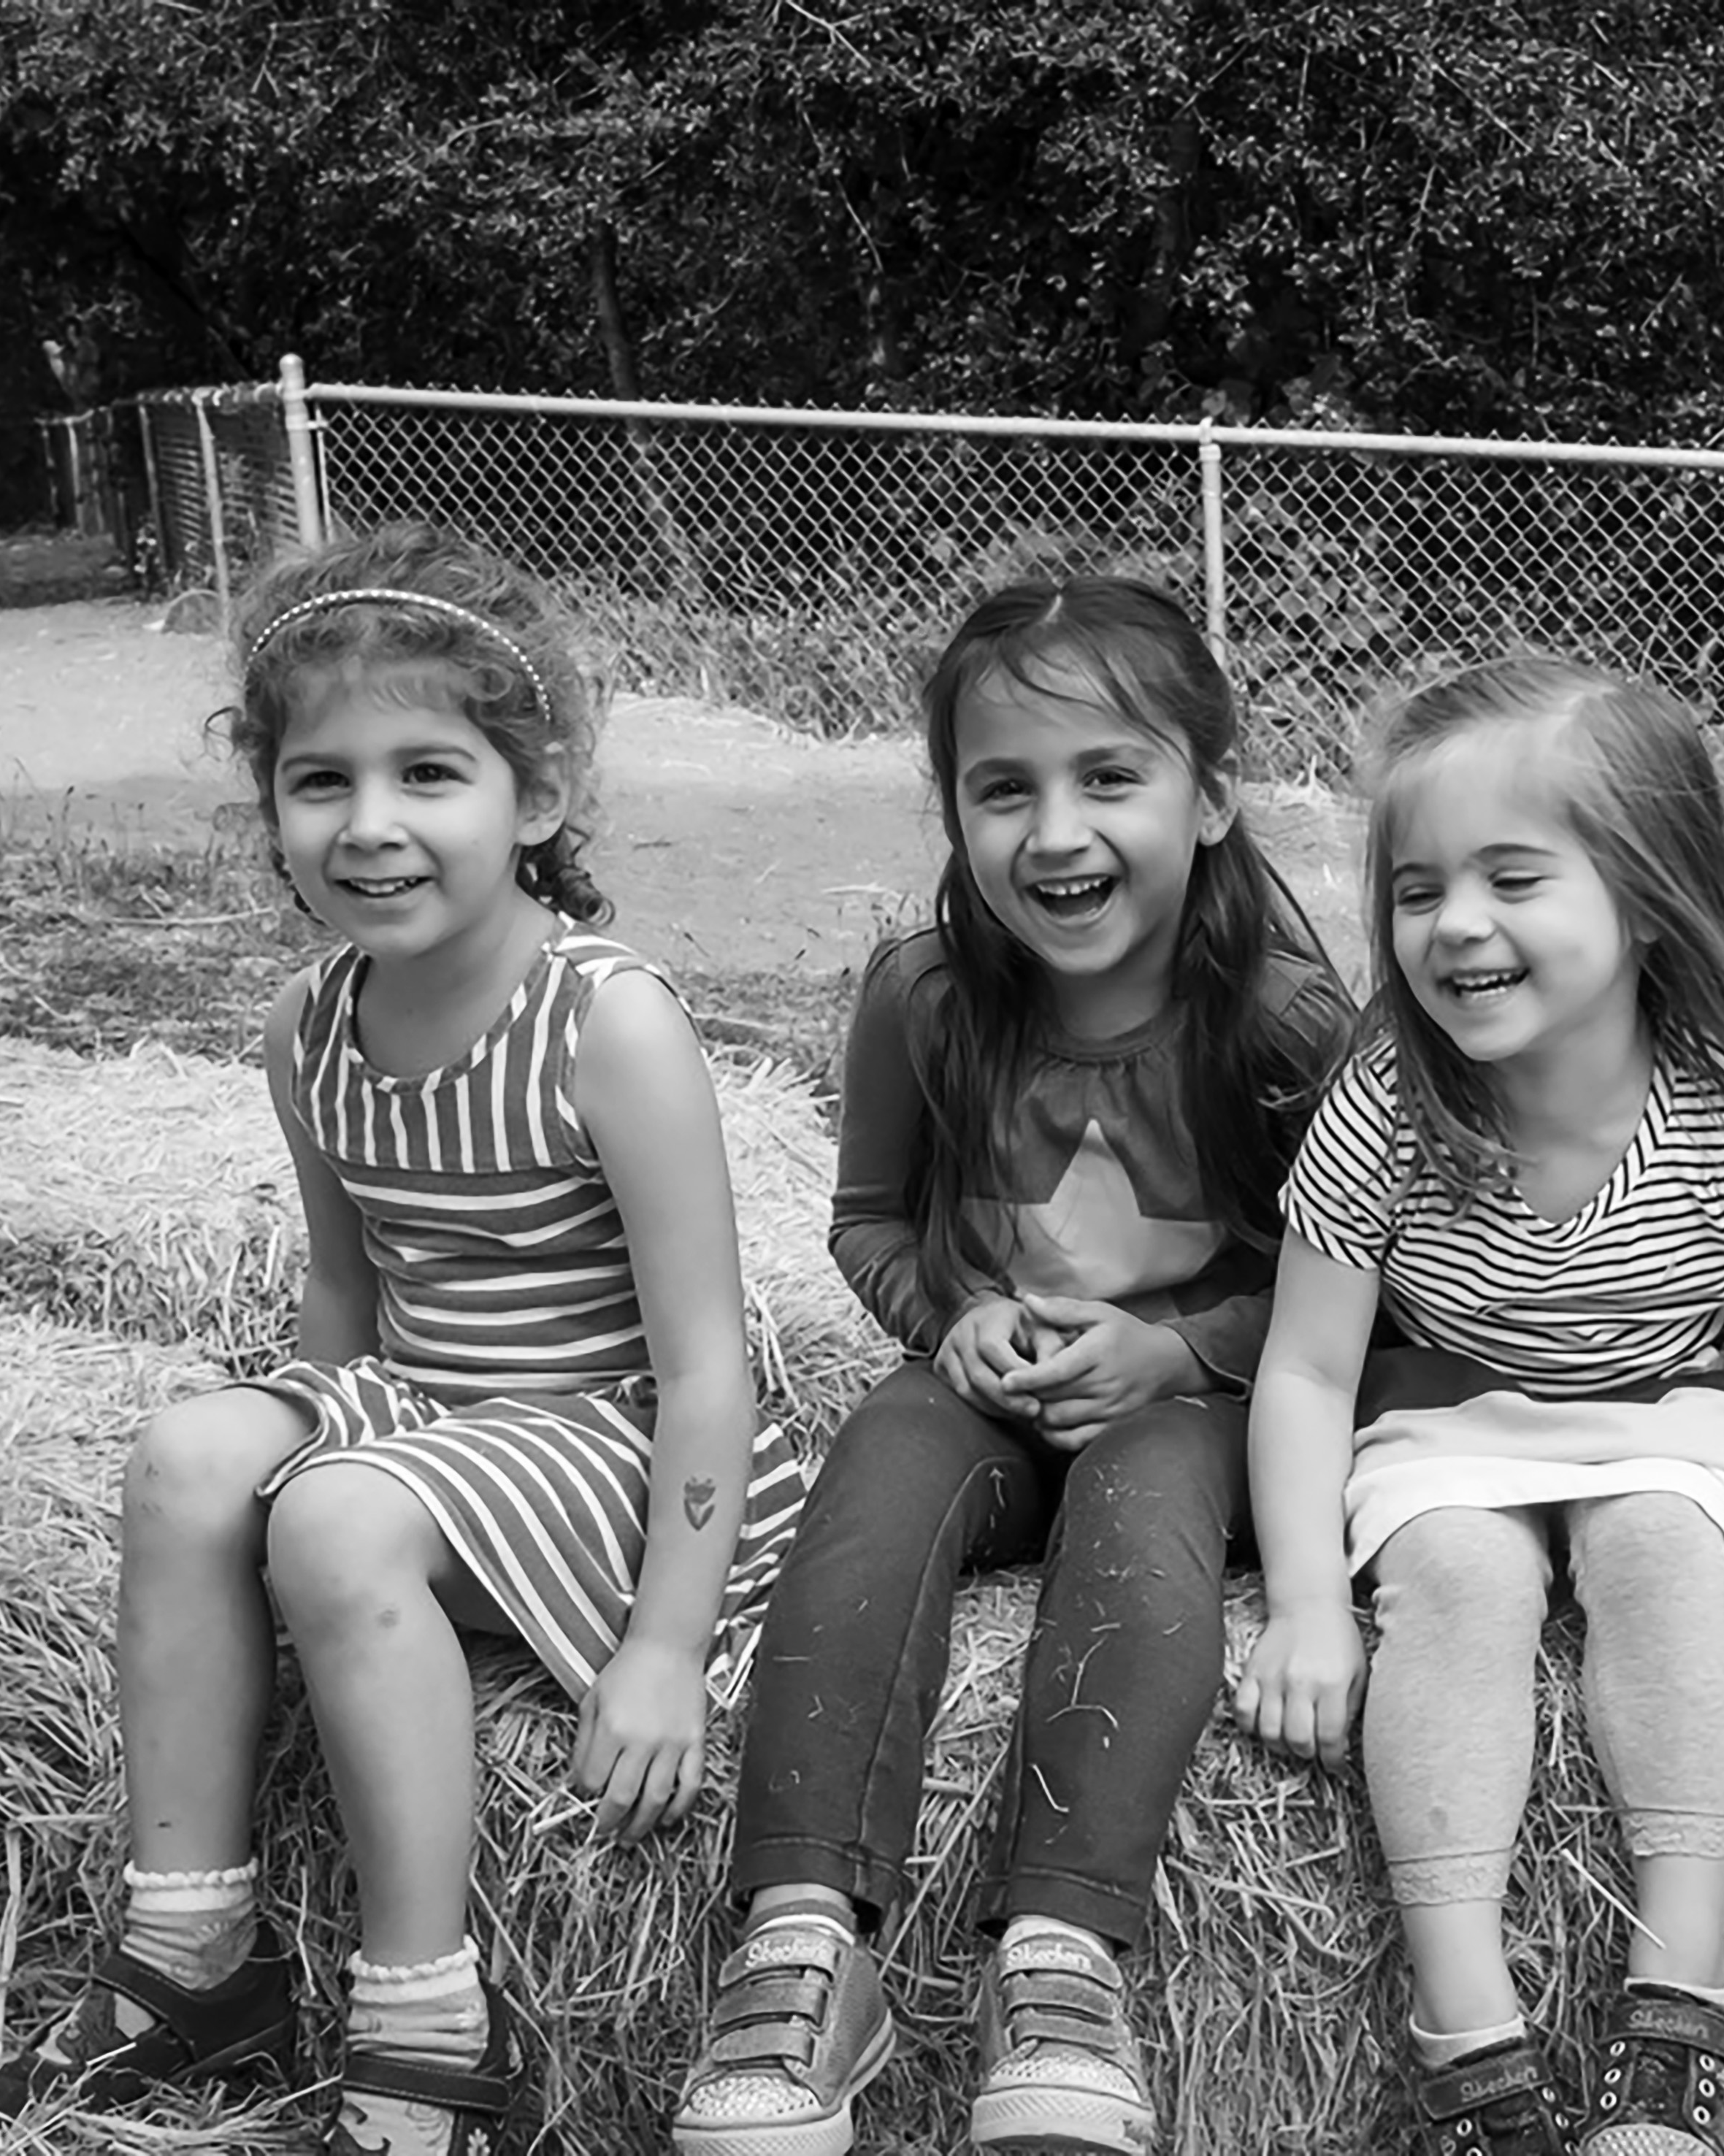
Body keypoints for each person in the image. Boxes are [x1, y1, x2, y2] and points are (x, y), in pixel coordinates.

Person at [0, 523, 809, 2153]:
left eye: (428, 772)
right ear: (271, 808)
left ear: (533, 800)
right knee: (189, 1455)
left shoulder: (607, 1020)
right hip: (425, 1398)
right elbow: (344, 1300)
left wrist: (667, 1651)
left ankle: (425, 2023)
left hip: (609, 1428)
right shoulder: (308, 1024)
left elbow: (707, 1360)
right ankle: (189, 1951)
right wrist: (270, 1453)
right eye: (321, 781)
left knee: (337, 1519)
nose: (373, 824)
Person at [671, 577, 1356, 2156]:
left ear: (1215, 792)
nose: (1057, 832)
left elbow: (1366, 1282)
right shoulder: (922, 998)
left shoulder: (1286, 1024)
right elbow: (863, 1223)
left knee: (1145, 1503)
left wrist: (1179, 1347)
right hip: (981, 1389)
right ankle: (793, 1953)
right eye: (1005, 788)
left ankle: (1059, 1969)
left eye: (1109, 776)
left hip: (1199, 1401)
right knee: (879, 1474)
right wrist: (945, 1323)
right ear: (955, 810)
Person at [1235, 660, 1724, 2156]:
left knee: (1663, 1546)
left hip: (1673, 1412)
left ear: (1651, 896)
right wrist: (1302, 1603)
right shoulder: (1389, 1107)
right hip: (1451, 1414)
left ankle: (1683, 1977)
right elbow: (1308, 1372)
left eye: (1512, 878)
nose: (1454, 924)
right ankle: (1465, 2022)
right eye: (1417, 890)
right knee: (1459, 1580)